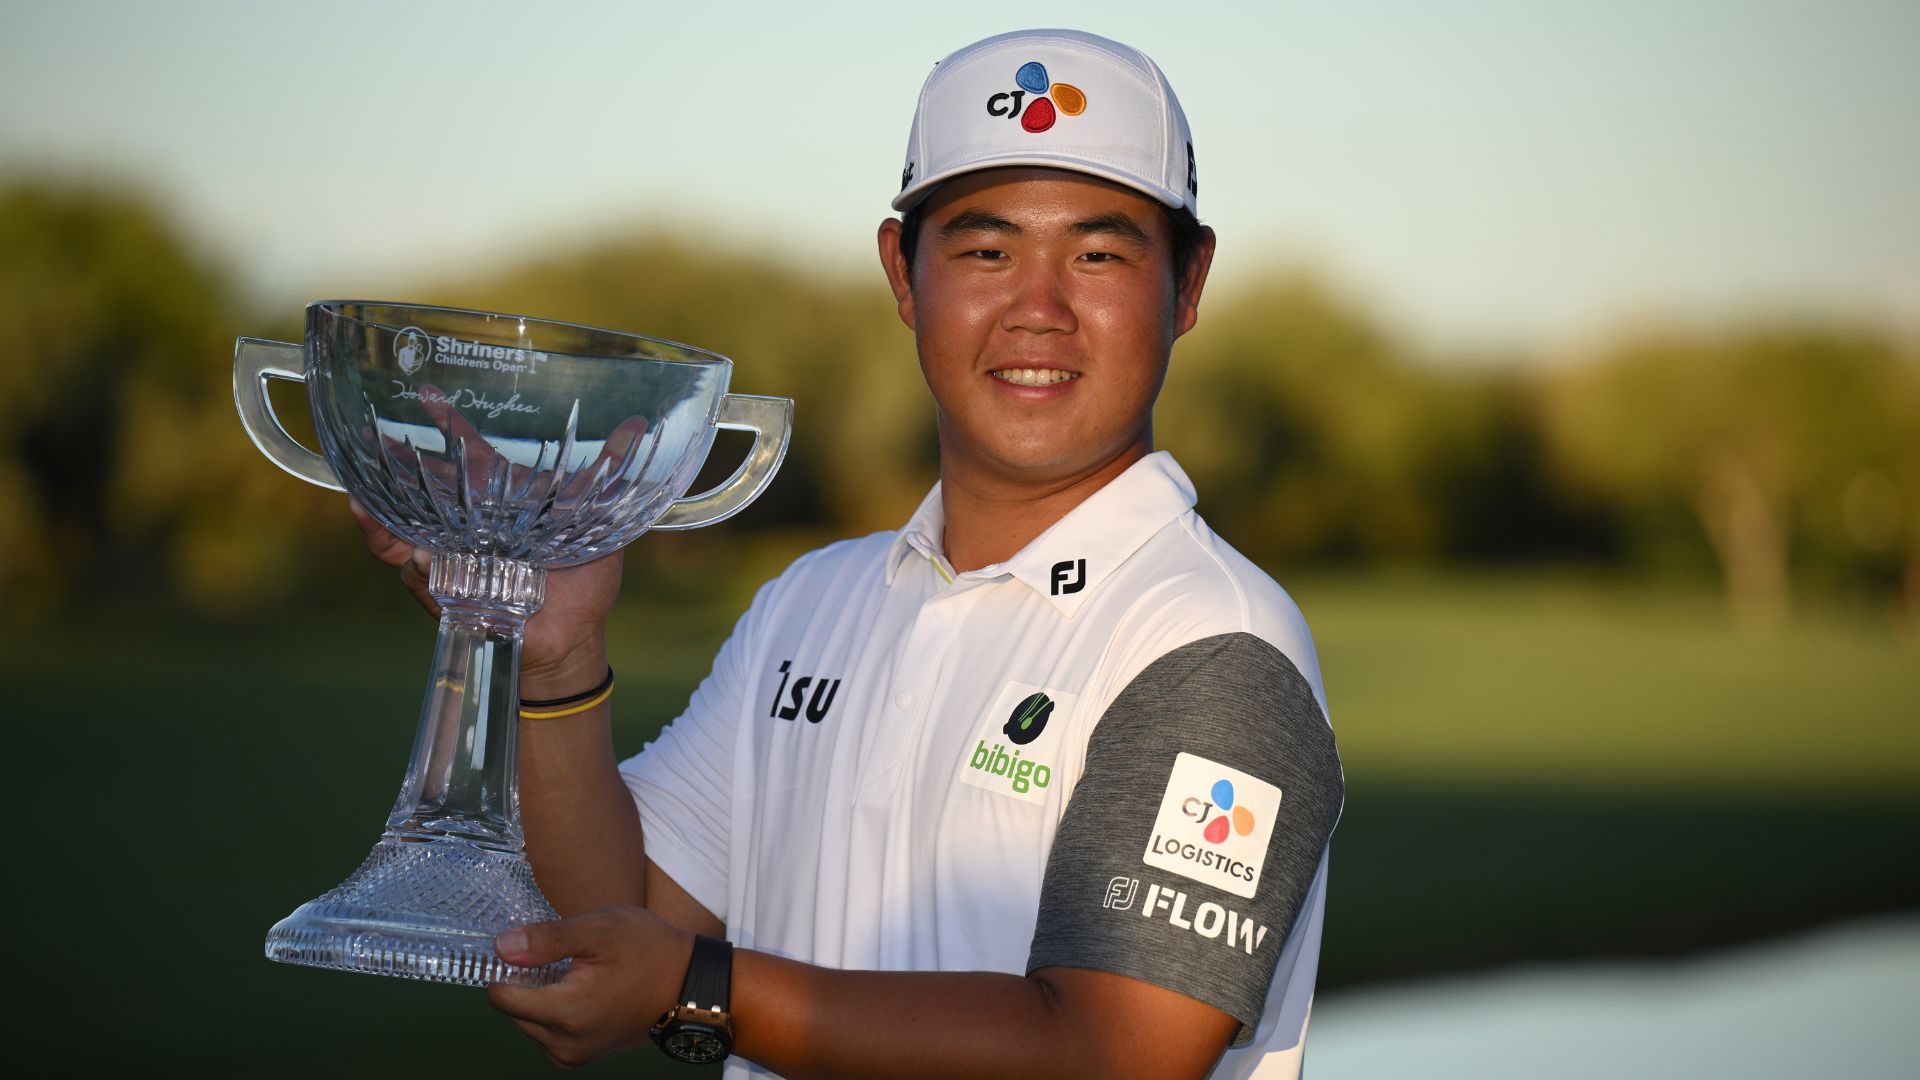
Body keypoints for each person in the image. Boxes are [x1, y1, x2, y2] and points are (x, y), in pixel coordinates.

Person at [354, 27, 1342, 1080]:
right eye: (984, 249)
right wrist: (553, 661)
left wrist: (705, 987)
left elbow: (1112, 1052)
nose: (1039, 309)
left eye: (1099, 254)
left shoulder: (1215, 641)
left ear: (1187, 286)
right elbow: (619, 923)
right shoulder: (811, 604)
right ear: (902, 276)